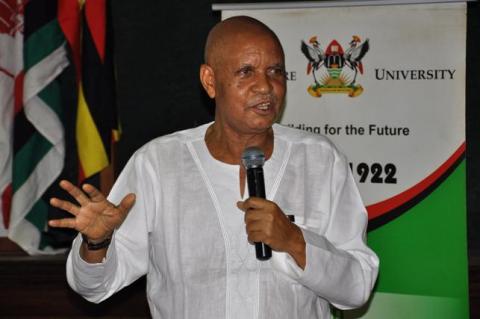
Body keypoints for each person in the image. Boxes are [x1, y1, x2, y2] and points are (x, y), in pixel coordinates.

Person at [49, 16, 379, 319]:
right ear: (210, 80)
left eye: (275, 71)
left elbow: (357, 287)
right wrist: (97, 244)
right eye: (246, 71)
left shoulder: (319, 160)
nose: (265, 86)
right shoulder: (158, 164)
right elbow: (94, 288)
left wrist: (295, 241)